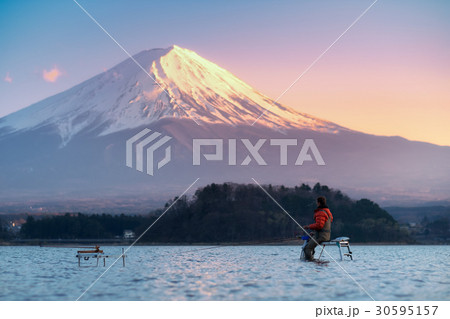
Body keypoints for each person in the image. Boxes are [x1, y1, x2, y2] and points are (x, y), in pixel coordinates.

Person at [302, 196, 333, 261]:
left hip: (321, 236)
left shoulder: (321, 212)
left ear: (318, 203)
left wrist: (308, 227)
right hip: (326, 235)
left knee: (307, 249)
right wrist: (314, 232)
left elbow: (319, 226)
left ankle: (311, 262)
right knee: (310, 245)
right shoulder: (328, 212)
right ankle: (312, 258)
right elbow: (324, 225)